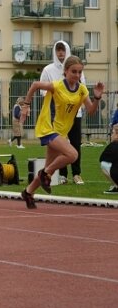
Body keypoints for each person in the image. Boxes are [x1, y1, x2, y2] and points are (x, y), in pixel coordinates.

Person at [18, 55, 103, 209]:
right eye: (73, 72)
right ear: (65, 71)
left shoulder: (82, 89)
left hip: (61, 132)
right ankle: (46, 174)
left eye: (79, 72)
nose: (77, 75)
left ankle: (28, 192)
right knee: (73, 155)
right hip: (48, 127)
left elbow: (90, 110)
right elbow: (35, 85)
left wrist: (97, 98)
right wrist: (26, 105)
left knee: (48, 166)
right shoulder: (56, 86)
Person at [41, 40, 85, 185]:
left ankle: (77, 174)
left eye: (63, 50)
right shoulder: (48, 70)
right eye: (58, 50)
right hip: (57, 116)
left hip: (74, 114)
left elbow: (82, 89)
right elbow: (42, 91)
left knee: (76, 144)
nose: (60, 53)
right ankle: (62, 175)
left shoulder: (77, 68)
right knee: (60, 146)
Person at [99, 124, 118, 194]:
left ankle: (116, 186)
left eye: (112, 133)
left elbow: (102, 158)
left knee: (104, 164)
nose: (111, 135)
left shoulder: (113, 145)